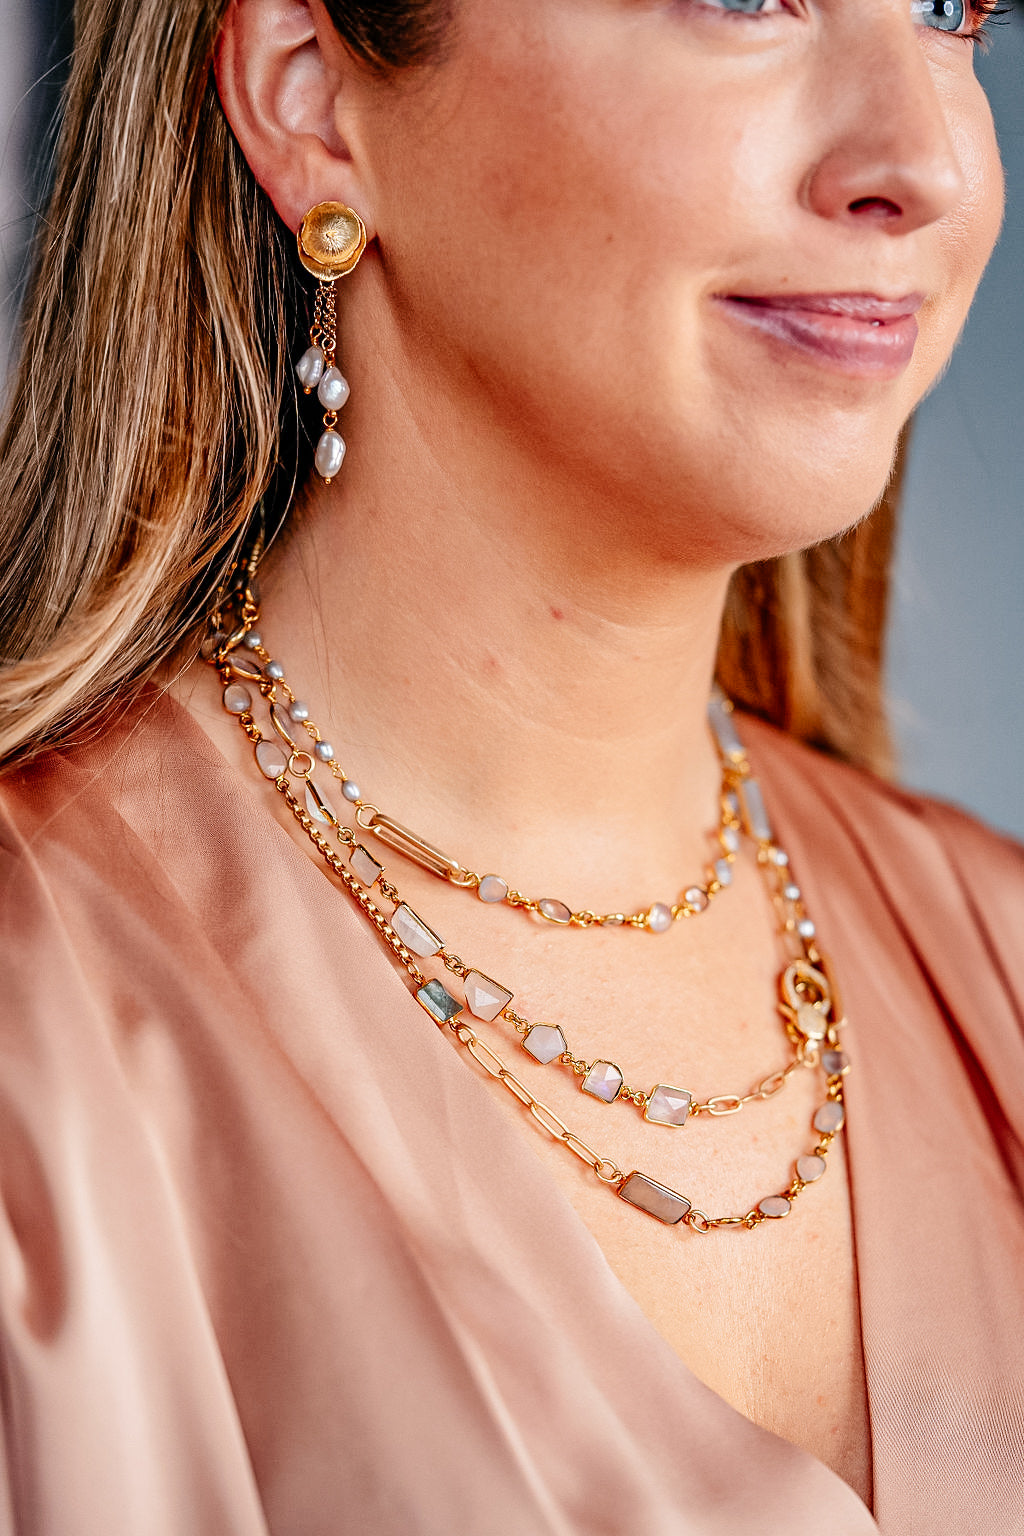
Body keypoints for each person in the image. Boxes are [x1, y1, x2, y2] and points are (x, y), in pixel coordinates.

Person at [0, 0, 1021, 1531]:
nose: (924, 163)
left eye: (953, 9)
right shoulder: (40, 1056)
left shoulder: (998, 959)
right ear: (312, 101)